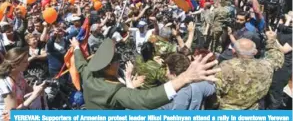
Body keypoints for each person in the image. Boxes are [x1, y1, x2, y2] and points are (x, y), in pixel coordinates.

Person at [72, 37, 220, 109]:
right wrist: (184, 78)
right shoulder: (114, 91)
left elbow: (80, 63)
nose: (119, 61)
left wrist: (76, 47)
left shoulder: (88, 73)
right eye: (116, 59)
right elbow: (146, 99)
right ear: (107, 66)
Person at [215, 29, 284, 110]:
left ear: (233, 51)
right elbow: (277, 58)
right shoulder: (266, 66)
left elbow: (215, 94)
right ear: (255, 52)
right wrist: (271, 39)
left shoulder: (225, 67)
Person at [0, 47, 46, 120]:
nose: (28, 63)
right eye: (25, 62)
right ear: (14, 65)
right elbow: (13, 115)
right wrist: (35, 94)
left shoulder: (19, 73)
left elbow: (27, 88)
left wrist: (37, 88)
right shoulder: (6, 85)